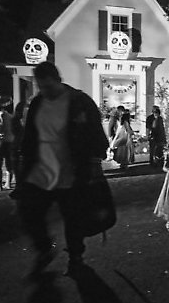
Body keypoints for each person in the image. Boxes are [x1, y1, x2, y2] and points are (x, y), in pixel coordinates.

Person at [15, 61, 109, 278]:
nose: (44, 92)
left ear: (58, 80)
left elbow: (95, 133)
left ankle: (76, 257)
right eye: (40, 87)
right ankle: (44, 247)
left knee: (72, 217)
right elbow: (30, 138)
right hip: (41, 171)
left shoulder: (79, 102)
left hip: (71, 171)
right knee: (29, 211)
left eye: (48, 86)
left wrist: (95, 159)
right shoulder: (38, 103)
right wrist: (23, 165)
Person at [0, 97, 15, 190]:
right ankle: (8, 184)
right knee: (9, 164)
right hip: (10, 140)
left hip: (0, 141)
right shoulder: (10, 116)